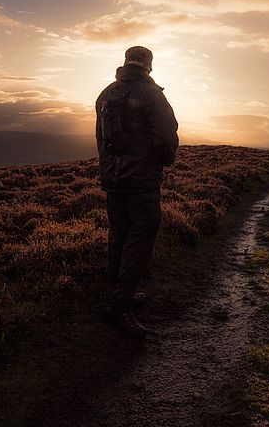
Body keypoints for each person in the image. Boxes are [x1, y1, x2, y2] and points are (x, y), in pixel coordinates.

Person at [95, 46, 179, 338]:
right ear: (149, 66)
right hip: (140, 179)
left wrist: (108, 170)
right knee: (141, 236)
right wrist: (164, 160)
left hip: (113, 178)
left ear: (125, 62)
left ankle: (120, 294)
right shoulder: (152, 95)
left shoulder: (106, 93)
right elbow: (167, 138)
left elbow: (100, 139)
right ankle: (120, 308)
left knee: (118, 233)